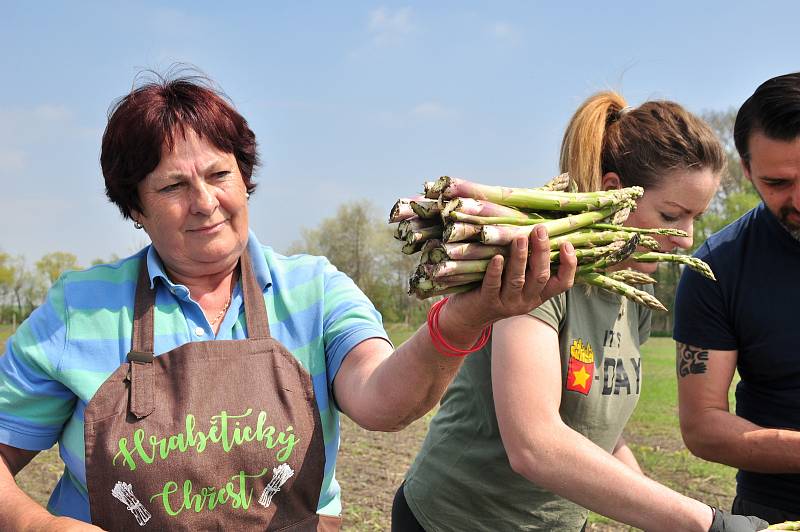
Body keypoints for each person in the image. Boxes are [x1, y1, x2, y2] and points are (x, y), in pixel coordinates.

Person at [0, 73, 579, 531]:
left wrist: (463, 319)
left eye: (219, 174)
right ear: (135, 209)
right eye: (173, 186)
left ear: (244, 178)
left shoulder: (314, 289)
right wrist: (33, 524)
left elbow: (381, 400)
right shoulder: (81, 308)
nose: (204, 202)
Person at [392, 91, 770, 532]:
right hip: (456, 522)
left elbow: (596, 432)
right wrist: (704, 523)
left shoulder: (633, 293)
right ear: (616, 193)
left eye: (695, 218)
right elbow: (534, 444)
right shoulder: (536, 275)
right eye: (672, 214)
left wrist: (657, 509)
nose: (685, 237)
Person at [674, 72, 800, 524]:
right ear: (746, 170)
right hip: (777, 511)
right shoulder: (717, 269)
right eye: (778, 182)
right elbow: (703, 426)